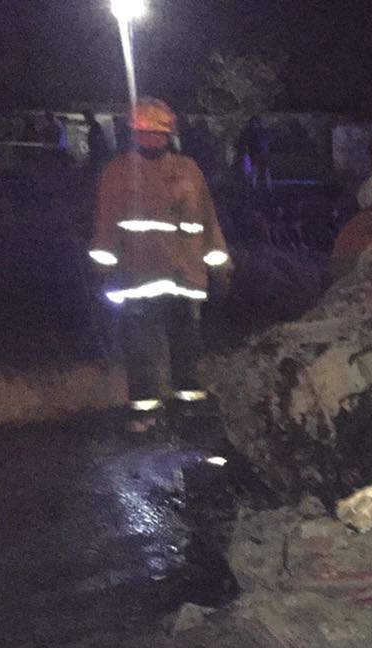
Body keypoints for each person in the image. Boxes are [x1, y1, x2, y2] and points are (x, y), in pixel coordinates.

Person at [88, 97, 230, 432]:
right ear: (134, 133)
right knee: (139, 349)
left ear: (169, 134)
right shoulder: (118, 172)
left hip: (185, 278)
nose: (153, 139)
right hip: (138, 279)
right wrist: (103, 270)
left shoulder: (189, 170)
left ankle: (189, 408)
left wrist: (219, 267)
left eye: (158, 133)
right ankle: (145, 413)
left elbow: (208, 222)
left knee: (187, 347)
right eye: (146, 133)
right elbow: (105, 227)